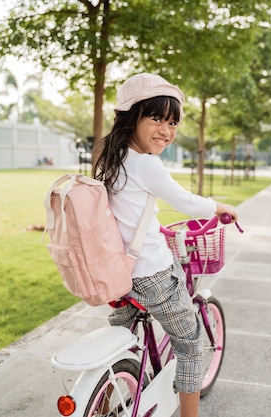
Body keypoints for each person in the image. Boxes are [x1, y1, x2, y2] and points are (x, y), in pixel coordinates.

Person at [92, 73, 238, 417]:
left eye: (172, 122)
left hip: (121, 274)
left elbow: (127, 210)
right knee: (190, 344)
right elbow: (187, 202)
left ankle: (111, 398)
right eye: (156, 117)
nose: (166, 130)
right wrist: (219, 207)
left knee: (126, 342)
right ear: (132, 116)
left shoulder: (110, 156)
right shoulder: (147, 163)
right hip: (153, 275)